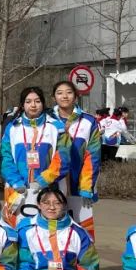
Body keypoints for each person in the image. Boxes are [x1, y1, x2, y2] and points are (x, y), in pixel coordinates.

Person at [11, 186, 110, 270]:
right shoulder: (25, 229)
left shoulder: (79, 233)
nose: (52, 207)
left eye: (57, 203)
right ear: (38, 205)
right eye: (46, 203)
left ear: (64, 205)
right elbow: (25, 265)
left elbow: (88, 269)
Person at [0, 86, 69, 225]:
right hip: (17, 191)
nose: (33, 105)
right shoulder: (12, 128)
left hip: (49, 191)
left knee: (46, 230)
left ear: (43, 103)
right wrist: (16, 182)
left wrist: (42, 181)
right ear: (22, 105)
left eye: (37, 101)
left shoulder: (56, 127)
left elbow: (64, 160)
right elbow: (5, 158)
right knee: (17, 229)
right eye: (28, 101)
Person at [49, 80, 101, 238]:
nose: (64, 96)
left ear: (76, 96)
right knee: (50, 228)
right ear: (54, 98)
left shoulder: (89, 121)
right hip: (51, 182)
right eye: (59, 93)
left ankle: (82, 254)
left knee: (80, 230)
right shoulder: (47, 119)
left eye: (69, 92)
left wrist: (86, 186)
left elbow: (93, 156)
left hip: (78, 182)